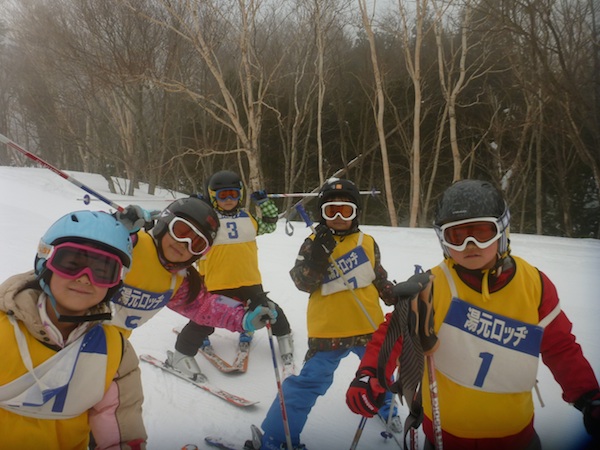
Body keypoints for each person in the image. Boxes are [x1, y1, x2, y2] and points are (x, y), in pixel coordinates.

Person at [346, 179, 600, 449]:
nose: (469, 245)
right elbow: (394, 333)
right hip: (446, 437)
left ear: (502, 231)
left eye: (481, 233)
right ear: (443, 240)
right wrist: (370, 373)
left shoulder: (534, 285)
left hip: (516, 437)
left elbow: (560, 347)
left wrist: (587, 395)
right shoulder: (432, 286)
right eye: (456, 236)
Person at [253, 177, 399, 450]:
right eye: (332, 211)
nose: (339, 218)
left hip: (368, 325)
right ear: (322, 213)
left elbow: (378, 277)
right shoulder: (312, 242)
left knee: (380, 372)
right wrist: (318, 258)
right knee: (308, 383)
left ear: (356, 213)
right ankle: (278, 435)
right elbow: (302, 283)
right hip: (329, 330)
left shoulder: (367, 241)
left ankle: (386, 407)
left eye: (347, 211)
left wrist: (395, 295)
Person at [0, 210, 147, 449]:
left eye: (102, 271)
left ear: (115, 282)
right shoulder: (3, 328)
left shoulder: (116, 354)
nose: (85, 278)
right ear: (45, 262)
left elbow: (121, 430)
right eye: (71, 263)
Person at [110, 196, 278, 381]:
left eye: (197, 244)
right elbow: (83, 241)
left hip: (108, 347)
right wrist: (114, 226)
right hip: (74, 332)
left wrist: (244, 316)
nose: (184, 244)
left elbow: (205, 306)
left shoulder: (177, 280)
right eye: (180, 231)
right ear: (164, 224)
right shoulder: (131, 244)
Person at [173, 170, 295, 375]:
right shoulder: (206, 220)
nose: (229, 199)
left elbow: (270, 224)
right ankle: (181, 355)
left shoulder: (248, 218)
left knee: (270, 311)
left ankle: (285, 339)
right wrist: (194, 209)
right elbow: (179, 230)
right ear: (212, 196)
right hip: (216, 284)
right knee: (203, 321)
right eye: (222, 195)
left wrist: (264, 202)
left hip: (249, 281)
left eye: (234, 194)